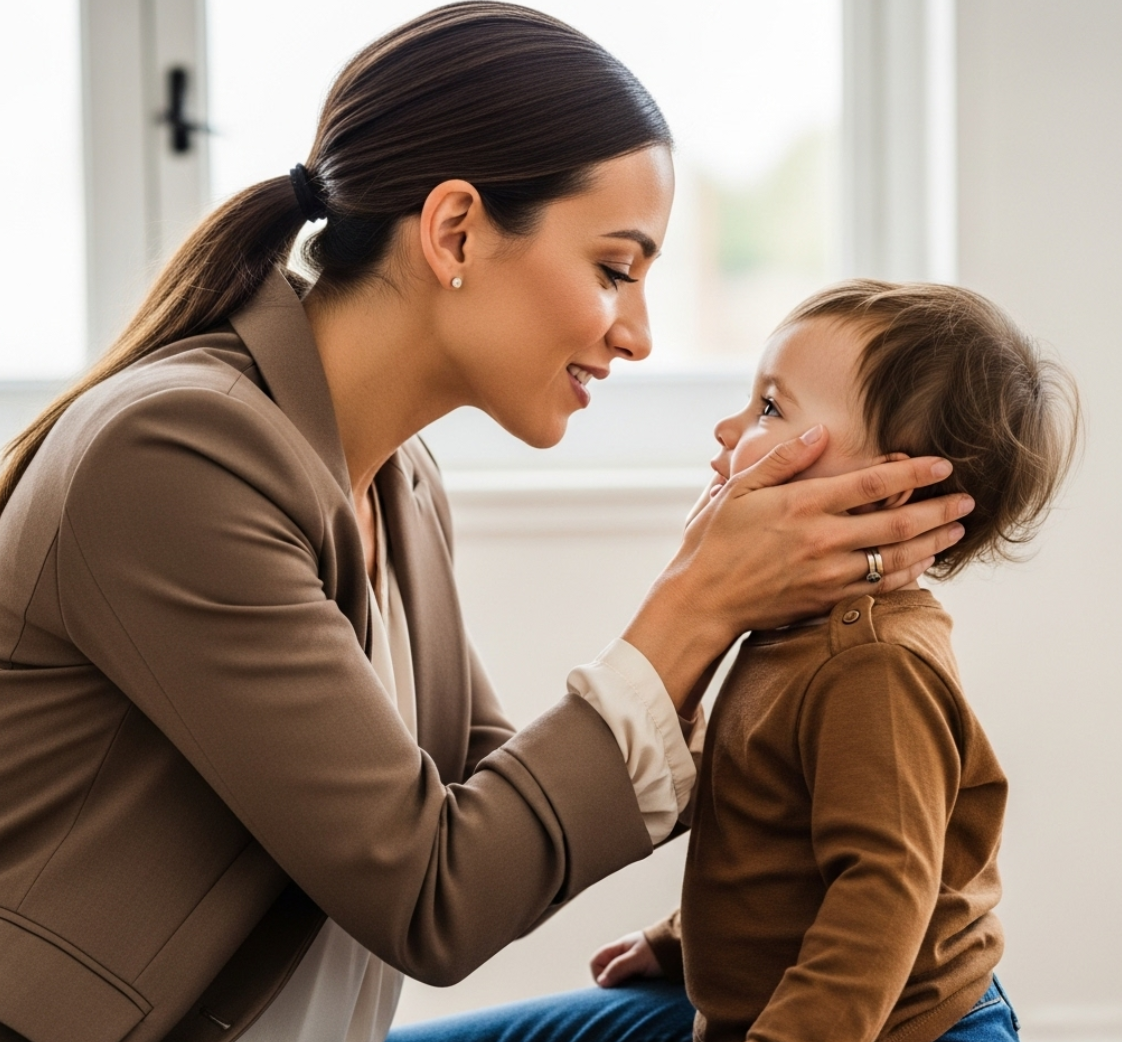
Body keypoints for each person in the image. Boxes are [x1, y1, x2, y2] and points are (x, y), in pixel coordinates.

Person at [0, 5, 971, 1041]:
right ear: (455, 230)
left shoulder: (396, 478)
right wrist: (699, 601)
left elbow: (490, 799)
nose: (639, 335)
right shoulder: (179, 457)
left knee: (868, 1012)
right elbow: (437, 893)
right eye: (614, 270)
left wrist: (794, 684)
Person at [575, 281, 1078, 1042]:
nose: (728, 427)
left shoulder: (871, 666)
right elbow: (773, 838)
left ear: (889, 489)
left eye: (769, 407)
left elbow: (884, 891)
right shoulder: (791, 633)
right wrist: (680, 939)